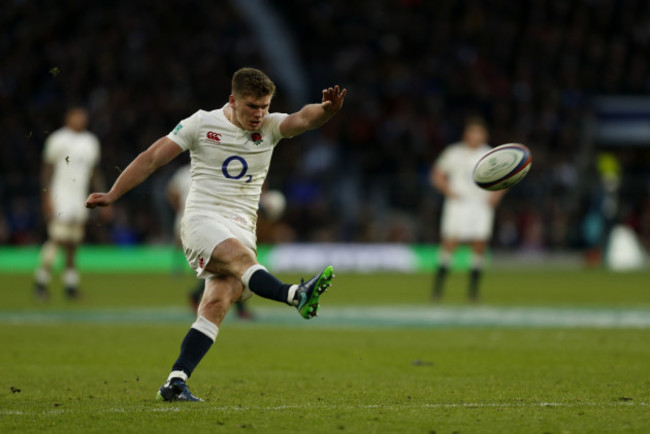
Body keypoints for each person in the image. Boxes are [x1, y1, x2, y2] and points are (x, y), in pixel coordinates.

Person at [85, 67, 346, 402]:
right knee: (241, 260)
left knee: (216, 302)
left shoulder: (269, 127)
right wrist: (112, 194)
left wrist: (327, 111)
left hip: (241, 226)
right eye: (252, 106)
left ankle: (175, 382)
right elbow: (151, 159)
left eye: (265, 106)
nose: (260, 114)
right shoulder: (201, 123)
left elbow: (303, 119)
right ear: (232, 100)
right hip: (202, 220)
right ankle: (296, 295)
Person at [34, 107, 107, 300]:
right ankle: (41, 281)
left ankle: (70, 285)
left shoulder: (91, 141)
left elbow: (94, 172)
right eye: (76, 116)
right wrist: (46, 197)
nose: (80, 120)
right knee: (57, 238)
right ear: (68, 118)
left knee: (73, 242)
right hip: (60, 196)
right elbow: (46, 170)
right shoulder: (58, 139)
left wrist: (102, 196)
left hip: (79, 198)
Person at [430, 117, 505, 302]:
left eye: (479, 132)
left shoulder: (490, 154)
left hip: (480, 204)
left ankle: (473, 292)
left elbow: (505, 178)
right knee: (449, 244)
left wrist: (496, 195)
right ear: (466, 134)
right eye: (473, 132)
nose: (476, 136)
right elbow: (436, 175)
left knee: (479, 246)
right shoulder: (454, 153)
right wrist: (449, 191)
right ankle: (437, 291)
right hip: (459, 203)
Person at [167, 163, 253, 318]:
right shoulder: (210, 171)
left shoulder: (195, 172)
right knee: (231, 265)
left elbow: (171, 192)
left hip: (205, 224)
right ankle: (236, 308)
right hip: (203, 225)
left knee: (227, 266)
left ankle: (198, 294)